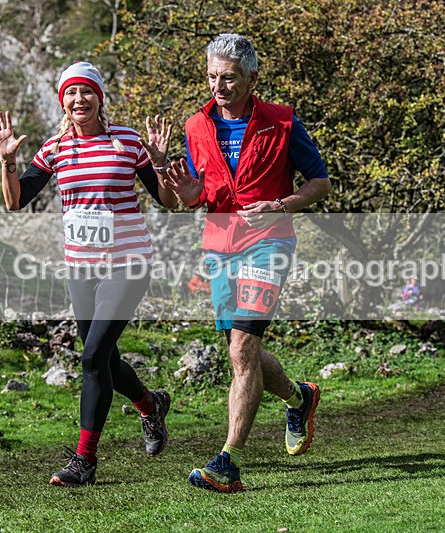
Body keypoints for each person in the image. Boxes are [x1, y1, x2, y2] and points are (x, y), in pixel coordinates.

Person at [0, 61, 178, 486]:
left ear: (99, 98)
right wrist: (7, 162)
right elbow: (16, 201)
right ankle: (151, 404)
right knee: (103, 357)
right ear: (63, 101)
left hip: (128, 264)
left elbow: (164, 199)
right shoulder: (54, 149)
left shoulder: (127, 141)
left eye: (86, 92)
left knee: (91, 357)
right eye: (71, 93)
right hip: (81, 268)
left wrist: (161, 164)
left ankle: (84, 461)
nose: (79, 100)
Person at [161, 33, 331, 493]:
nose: (219, 86)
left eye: (229, 78)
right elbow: (197, 193)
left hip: (269, 243)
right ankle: (300, 397)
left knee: (241, 350)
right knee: (244, 349)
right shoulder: (195, 127)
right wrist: (192, 196)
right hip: (219, 245)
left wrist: (282, 204)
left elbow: (320, 182)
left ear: (253, 77)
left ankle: (228, 461)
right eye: (213, 76)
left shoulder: (282, 121)